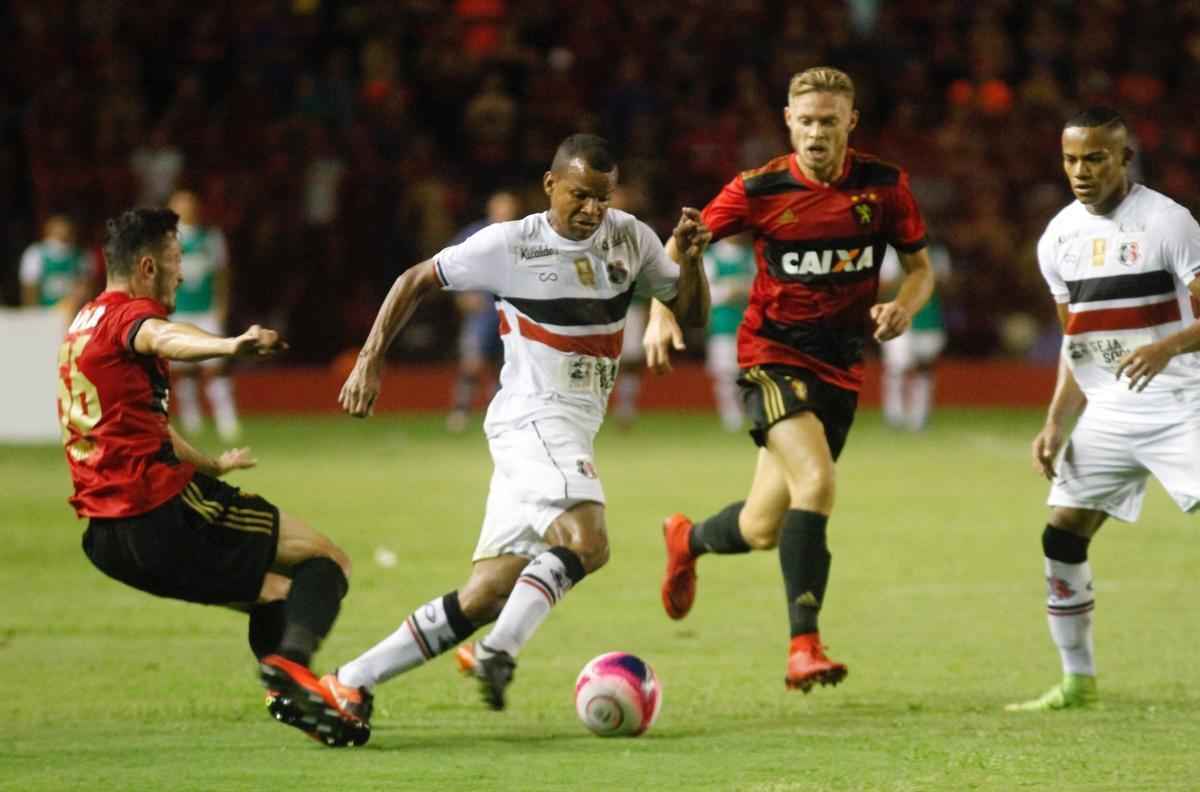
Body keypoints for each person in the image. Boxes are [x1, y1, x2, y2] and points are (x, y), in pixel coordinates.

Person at [329, 134, 710, 718]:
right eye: (580, 196)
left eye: (602, 199)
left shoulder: (629, 237)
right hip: (534, 419)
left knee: (487, 592)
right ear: (550, 185)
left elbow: (693, 313)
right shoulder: (511, 245)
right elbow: (414, 279)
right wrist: (369, 358)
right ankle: (500, 650)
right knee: (589, 541)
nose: (591, 211)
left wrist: (691, 258)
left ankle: (351, 681)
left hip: (570, 429)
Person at [644, 67, 934, 692]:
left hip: (841, 366)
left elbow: (920, 270)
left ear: (850, 122)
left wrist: (904, 304)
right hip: (770, 356)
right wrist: (661, 312)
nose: (816, 134)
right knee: (817, 479)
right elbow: (679, 247)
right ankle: (804, 645)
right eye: (806, 122)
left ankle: (686, 539)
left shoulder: (884, 187)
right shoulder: (759, 187)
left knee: (760, 527)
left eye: (829, 121)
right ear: (788, 121)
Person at [59, 207, 365, 747]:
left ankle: (289, 695)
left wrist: (213, 463)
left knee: (277, 594)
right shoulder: (127, 318)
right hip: (159, 514)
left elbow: (142, 426)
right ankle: (292, 670)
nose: (182, 274)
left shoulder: (81, 325)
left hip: (106, 541)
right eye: (177, 262)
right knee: (328, 561)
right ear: (148, 266)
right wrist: (230, 346)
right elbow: (162, 337)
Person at [1009, 108, 1200, 712]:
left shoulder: (1170, 222)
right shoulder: (1057, 238)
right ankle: (1077, 680)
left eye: (1095, 158)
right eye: (1071, 159)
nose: (1081, 171)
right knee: (1061, 533)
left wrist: (1166, 345)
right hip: (1110, 414)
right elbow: (1078, 341)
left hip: (1182, 402)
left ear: (1124, 157)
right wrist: (1055, 421)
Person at [166, 190, 241, 441]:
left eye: (188, 203)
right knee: (184, 368)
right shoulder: (166, 240)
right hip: (179, 311)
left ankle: (226, 418)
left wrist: (222, 305)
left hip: (206, 310)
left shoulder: (212, 237)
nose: (185, 207)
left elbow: (222, 274)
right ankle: (191, 418)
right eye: (179, 204)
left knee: (216, 365)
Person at [446, 190, 521, 432]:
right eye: (500, 210)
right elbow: (447, 266)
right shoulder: (474, 235)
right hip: (483, 313)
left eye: (508, 210)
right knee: (472, 362)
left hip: (513, 314)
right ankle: (460, 411)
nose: (504, 215)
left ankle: (500, 416)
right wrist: (461, 296)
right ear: (491, 211)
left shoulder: (523, 237)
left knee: (508, 365)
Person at [878, 241, 951, 431]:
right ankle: (894, 416)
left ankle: (919, 417)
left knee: (925, 368)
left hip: (929, 319)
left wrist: (927, 278)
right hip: (899, 317)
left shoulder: (938, 253)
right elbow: (883, 286)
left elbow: (947, 285)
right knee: (898, 368)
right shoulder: (893, 255)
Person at [703, 231, 755, 431]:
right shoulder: (711, 258)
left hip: (749, 324)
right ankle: (730, 416)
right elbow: (705, 294)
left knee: (749, 372)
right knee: (725, 373)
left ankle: (750, 411)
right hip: (722, 324)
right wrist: (728, 291)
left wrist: (744, 289)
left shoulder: (750, 256)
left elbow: (760, 287)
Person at [20, 214, 93, 313]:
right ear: (48, 232)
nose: (62, 238)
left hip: (71, 315)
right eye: (58, 234)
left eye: (67, 234)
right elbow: (29, 290)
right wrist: (34, 316)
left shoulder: (81, 257)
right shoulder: (35, 254)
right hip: (43, 314)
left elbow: (87, 289)